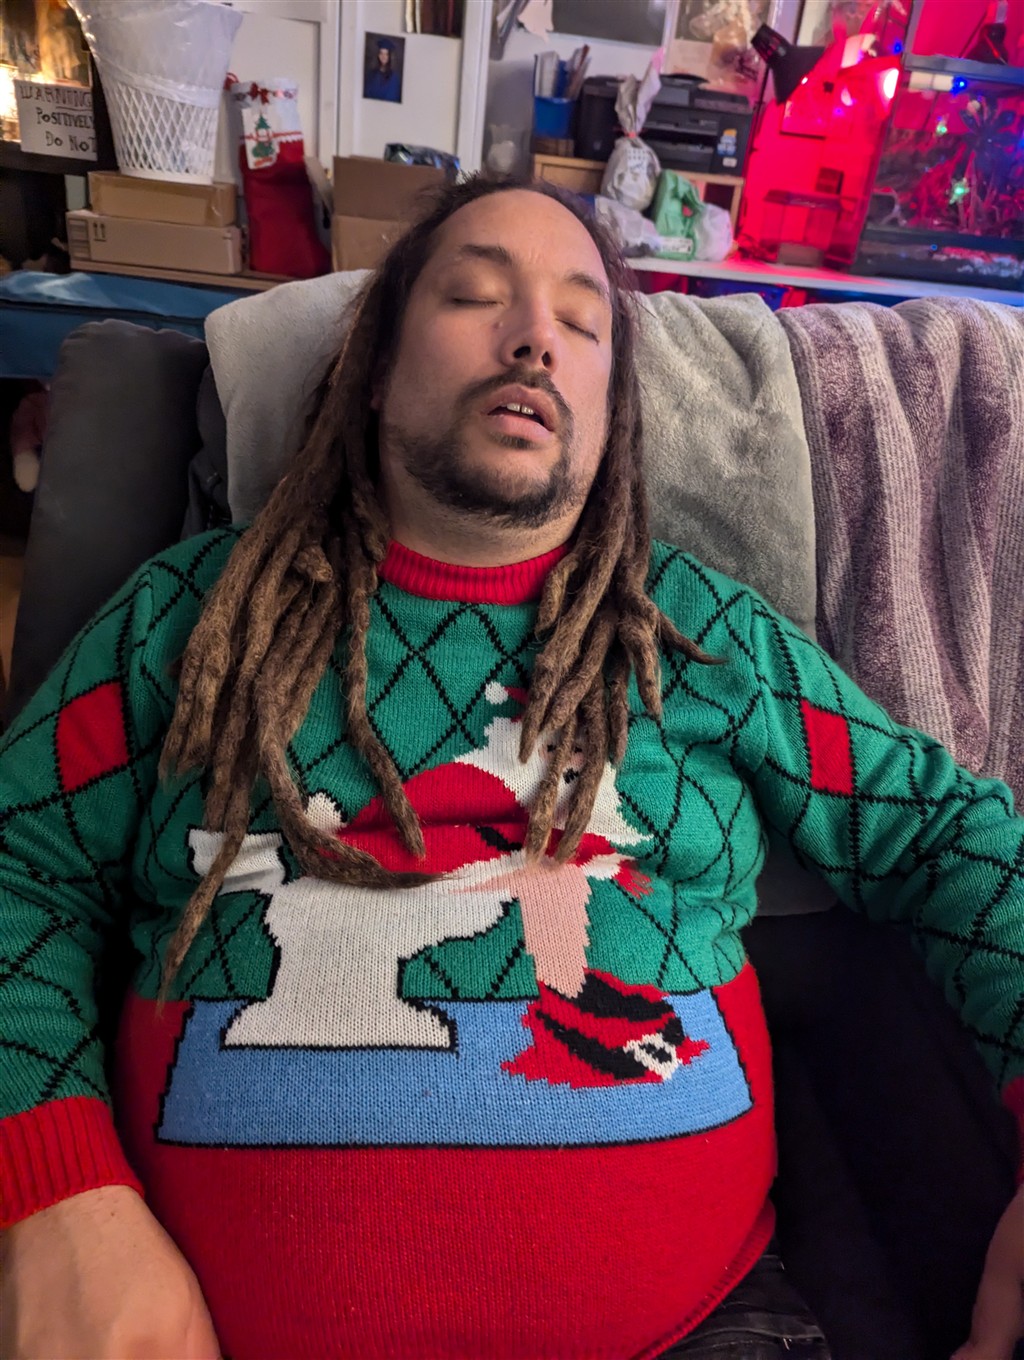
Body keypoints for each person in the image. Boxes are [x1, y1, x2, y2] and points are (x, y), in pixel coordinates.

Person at [0, 176, 1021, 1360]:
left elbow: (949, 835)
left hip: (703, 1327)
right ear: (375, 369)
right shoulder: (188, 618)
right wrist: (51, 1187)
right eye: (474, 295)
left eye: (581, 322)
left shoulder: (703, 637)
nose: (535, 334)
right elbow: (19, 865)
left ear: (611, 414)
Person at [364, 36, 401, 102]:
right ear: (378, 55)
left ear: (389, 57)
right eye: (381, 53)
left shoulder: (394, 77)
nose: (383, 57)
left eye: (386, 54)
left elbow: (393, 97)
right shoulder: (371, 74)